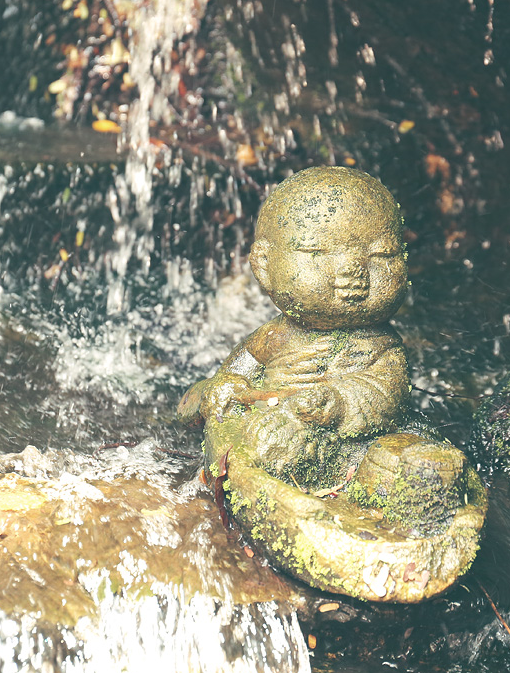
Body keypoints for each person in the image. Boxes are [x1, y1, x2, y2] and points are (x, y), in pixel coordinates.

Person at [178, 167, 467, 530]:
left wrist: (339, 402)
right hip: (283, 430)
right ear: (263, 266)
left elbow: (387, 393)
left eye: (379, 255)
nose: (352, 270)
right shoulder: (274, 338)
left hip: (360, 439)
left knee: (407, 457)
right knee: (272, 444)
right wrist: (225, 389)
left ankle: (405, 505)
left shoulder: (383, 347)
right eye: (317, 252)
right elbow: (233, 380)